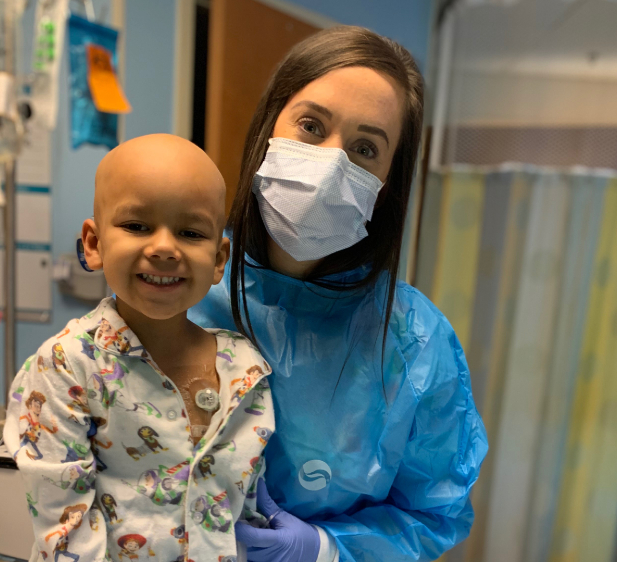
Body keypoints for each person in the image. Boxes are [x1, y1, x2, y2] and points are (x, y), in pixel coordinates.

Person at [189, 26, 488, 562]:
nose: (330, 164)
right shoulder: (180, 289)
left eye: (365, 148)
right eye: (311, 125)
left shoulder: (415, 345)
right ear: (268, 126)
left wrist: (325, 550)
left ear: (388, 183)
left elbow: (433, 513)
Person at [4, 135, 275, 562]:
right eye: (136, 226)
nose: (165, 247)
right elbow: (65, 528)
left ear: (219, 258)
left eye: (190, 232)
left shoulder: (246, 369)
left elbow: (246, 504)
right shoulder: (66, 366)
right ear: (94, 244)